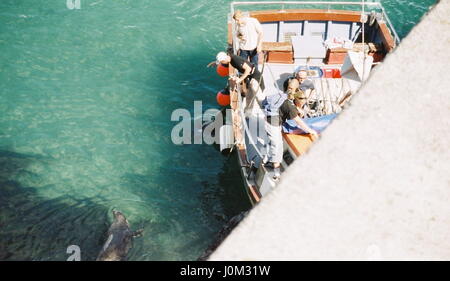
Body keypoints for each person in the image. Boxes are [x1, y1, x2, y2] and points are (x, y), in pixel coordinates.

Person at [263, 79, 318, 180]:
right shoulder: (290, 105)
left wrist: (297, 109)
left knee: (273, 143)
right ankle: (276, 173)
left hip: (270, 119)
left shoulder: (285, 96)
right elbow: (298, 121)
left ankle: (266, 159)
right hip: (273, 124)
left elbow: (289, 105)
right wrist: (310, 130)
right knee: (277, 146)